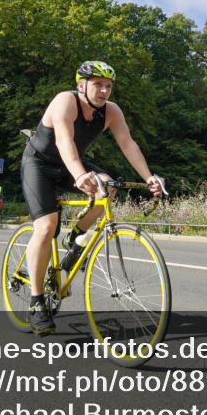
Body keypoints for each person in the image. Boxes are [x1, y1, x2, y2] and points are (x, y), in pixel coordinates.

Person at [19, 60, 165, 336]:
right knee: (46, 226)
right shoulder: (65, 101)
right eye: (98, 84)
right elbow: (64, 139)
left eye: (108, 86)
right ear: (81, 85)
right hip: (39, 164)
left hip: (69, 165)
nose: (104, 91)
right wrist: (78, 174)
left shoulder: (111, 112)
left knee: (109, 186)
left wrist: (149, 177)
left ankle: (77, 237)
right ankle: (37, 301)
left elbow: (127, 144)